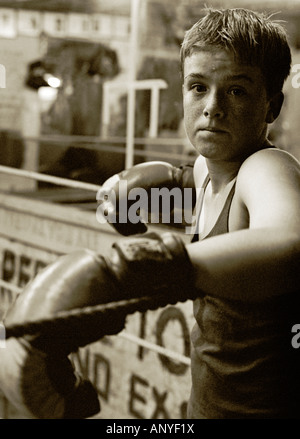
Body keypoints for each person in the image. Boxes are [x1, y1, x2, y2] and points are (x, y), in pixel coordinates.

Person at [0, 7, 299, 420]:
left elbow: (289, 241)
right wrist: (140, 192)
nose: (212, 106)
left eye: (237, 91)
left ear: (271, 106)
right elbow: (186, 188)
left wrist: (140, 269)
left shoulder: (267, 168)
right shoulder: (204, 173)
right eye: (198, 87)